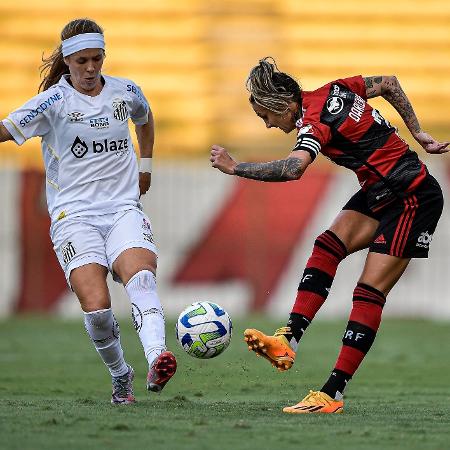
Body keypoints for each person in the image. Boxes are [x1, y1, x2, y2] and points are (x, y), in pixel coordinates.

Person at [210, 57, 448, 413]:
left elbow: (293, 169)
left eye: (267, 116)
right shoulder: (336, 88)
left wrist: (235, 167)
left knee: (368, 292)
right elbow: (389, 84)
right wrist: (417, 133)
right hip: (380, 191)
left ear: (284, 104)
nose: (269, 125)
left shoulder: (314, 122)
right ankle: (287, 340)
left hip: (412, 197)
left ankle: (331, 394)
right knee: (328, 245)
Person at [0, 18, 177, 404]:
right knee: (97, 309)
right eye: (82, 61)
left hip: (122, 209)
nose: (91, 68)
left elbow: (145, 120)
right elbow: (5, 129)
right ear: (67, 61)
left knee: (142, 279)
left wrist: (145, 167)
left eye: (97, 59)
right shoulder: (52, 104)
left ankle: (156, 358)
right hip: (73, 217)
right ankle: (121, 375)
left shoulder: (125, 91)